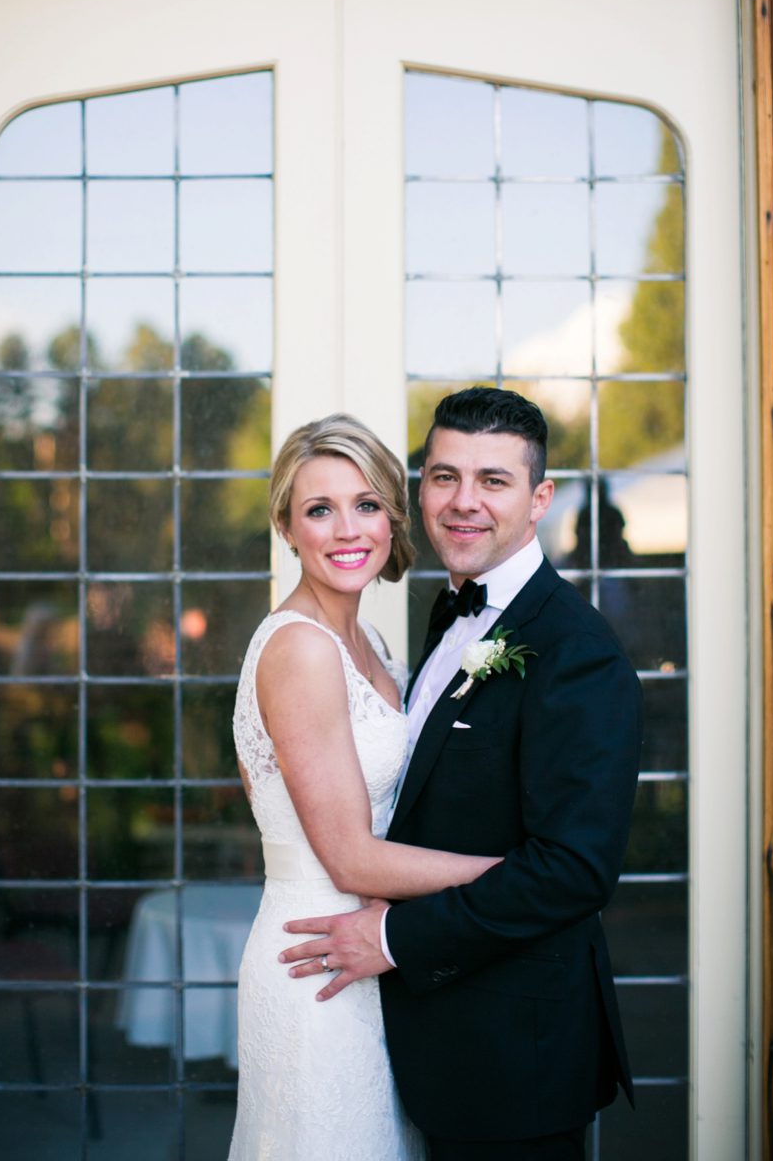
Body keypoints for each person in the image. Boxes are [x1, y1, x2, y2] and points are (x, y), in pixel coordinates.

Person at [277, 387, 640, 1160]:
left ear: (540, 498)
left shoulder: (579, 652)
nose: (463, 503)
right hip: (428, 1040)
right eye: (444, 477)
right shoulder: (445, 615)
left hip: (515, 1056)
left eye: (493, 481)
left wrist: (397, 937)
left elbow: (574, 872)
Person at [230, 413, 501, 1160]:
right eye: (319, 509)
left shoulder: (368, 642)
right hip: (317, 961)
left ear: (391, 516)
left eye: (366, 503)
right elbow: (348, 858)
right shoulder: (301, 651)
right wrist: (514, 877)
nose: (347, 529)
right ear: (286, 525)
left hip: (374, 953)